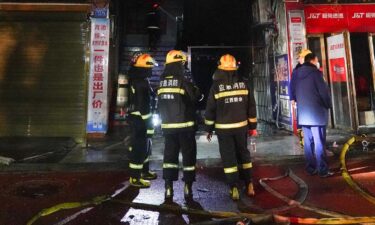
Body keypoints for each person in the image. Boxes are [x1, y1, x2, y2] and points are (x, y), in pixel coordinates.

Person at [204, 54, 257, 201]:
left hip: (224, 129)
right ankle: (249, 184)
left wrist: (208, 129)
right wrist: (253, 126)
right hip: (241, 128)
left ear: (220, 68)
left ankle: (233, 187)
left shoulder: (216, 87)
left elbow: (210, 109)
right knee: (244, 155)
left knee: (229, 158)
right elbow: (251, 106)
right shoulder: (244, 83)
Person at [157, 50, 200, 200]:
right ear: (179, 64)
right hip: (185, 127)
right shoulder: (183, 81)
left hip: (168, 128)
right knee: (188, 156)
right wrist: (196, 89)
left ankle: (168, 187)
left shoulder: (161, 82)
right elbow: (194, 98)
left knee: (169, 157)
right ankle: (187, 186)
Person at [290, 52, 333, 178]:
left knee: (308, 144)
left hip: (303, 114)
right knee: (319, 143)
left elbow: (292, 89)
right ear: (312, 61)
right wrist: (328, 105)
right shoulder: (316, 74)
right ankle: (323, 170)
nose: (318, 62)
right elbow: (324, 93)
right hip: (317, 114)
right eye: (317, 60)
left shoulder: (296, 73)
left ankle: (310, 168)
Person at [127, 53, 158, 188]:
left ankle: (144, 171)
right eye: (150, 67)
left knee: (146, 146)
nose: (152, 70)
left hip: (141, 119)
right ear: (145, 68)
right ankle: (135, 178)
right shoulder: (140, 82)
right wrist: (149, 123)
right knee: (139, 148)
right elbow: (143, 106)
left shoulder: (141, 80)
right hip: (140, 120)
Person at [290, 49, 311, 147]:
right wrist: (292, 98)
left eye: (301, 57)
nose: (299, 59)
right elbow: (292, 85)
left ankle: (310, 139)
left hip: (311, 100)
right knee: (301, 119)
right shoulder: (297, 71)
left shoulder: (313, 69)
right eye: (300, 58)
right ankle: (303, 139)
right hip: (301, 99)